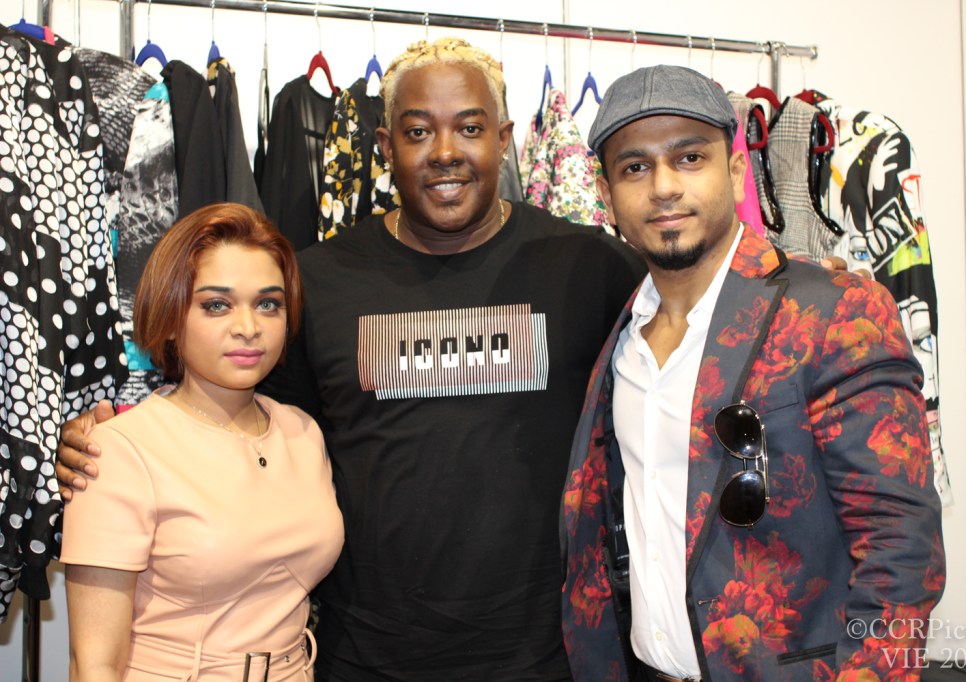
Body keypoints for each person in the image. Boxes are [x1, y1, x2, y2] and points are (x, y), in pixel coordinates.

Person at [59, 39, 646, 681]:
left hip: (548, 655)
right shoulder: (317, 283)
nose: (445, 151)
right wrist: (117, 442)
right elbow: (239, 421)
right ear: (385, 147)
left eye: (470, 128)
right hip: (364, 658)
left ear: (503, 139)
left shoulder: (591, 267)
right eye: (417, 131)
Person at [559, 65, 946, 682]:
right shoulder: (623, 340)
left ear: (736, 171)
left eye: (689, 158)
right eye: (635, 167)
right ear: (606, 196)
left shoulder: (832, 311)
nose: (663, 187)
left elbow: (902, 552)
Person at [60, 203, 344, 681]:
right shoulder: (121, 450)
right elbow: (94, 663)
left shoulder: (302, 432)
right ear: (171, 318)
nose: (248, 327)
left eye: (268, 304)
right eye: (216, 305)